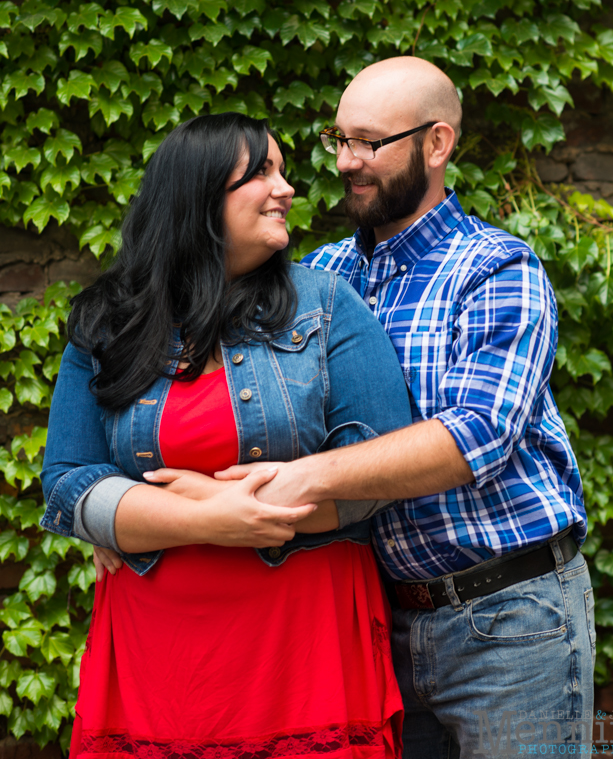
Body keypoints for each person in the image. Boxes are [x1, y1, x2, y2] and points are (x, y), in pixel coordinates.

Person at [212, 57, 594, 756]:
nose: (345, 162)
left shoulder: (496, 268)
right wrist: (131, 509)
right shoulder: (319, 276)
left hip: (510, 615)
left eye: (367, 142)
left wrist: (309, 477)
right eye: (337, 140)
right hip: (371, 621)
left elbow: (473, 437)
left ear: (436, 143)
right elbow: (228, 402)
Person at [40, 112, 414, 759]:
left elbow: (380, 465)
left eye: (284, 170)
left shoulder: (326, 305)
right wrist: (212, 518)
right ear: (199, 195)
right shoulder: (109, 321)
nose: (288, 187)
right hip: (157, 651)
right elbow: (68, 480)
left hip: (302, 645)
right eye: (262, 171)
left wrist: (156, 512)